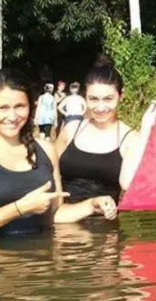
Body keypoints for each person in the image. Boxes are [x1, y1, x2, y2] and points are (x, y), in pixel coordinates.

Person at [0, 69, 117, 240]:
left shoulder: (46, 150)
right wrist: (19, 208)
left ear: (31, 105)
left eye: (20, 106)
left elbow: (54, 214)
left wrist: (91, 205)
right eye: (3, 108)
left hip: (44, 256)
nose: (12, 116)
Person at [56, 56, 144, 206]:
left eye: (108, 99)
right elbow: (50, 173)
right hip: (62, 217)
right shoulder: (71, 129)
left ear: (121, 96)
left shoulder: (131, 139)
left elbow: (128, 185)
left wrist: (146, 128)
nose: (100, 108)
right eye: (93, 99)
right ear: (85, 96)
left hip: (104, 219)